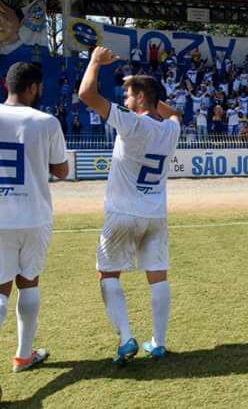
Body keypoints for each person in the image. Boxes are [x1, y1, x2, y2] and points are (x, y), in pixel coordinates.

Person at [79, 46, 181, 365]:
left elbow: (86, 93)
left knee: (108, 274)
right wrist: (148, 91)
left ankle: (126, 339)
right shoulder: (170, 129)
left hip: (122, 214)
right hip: (155, 215)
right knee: (158, 277)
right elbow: (175, 113)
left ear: (139, 98)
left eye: (129, 94)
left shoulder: (132, 123)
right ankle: (159, 343)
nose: (125, 100)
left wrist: (95, 62)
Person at [0, 62, 69, 373]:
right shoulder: (46, 121)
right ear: (32, 88)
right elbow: (62, 170)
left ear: (7, 85)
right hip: (34, 214)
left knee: (0, 289)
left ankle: (24, 357)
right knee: (29, 283)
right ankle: (23, 355)